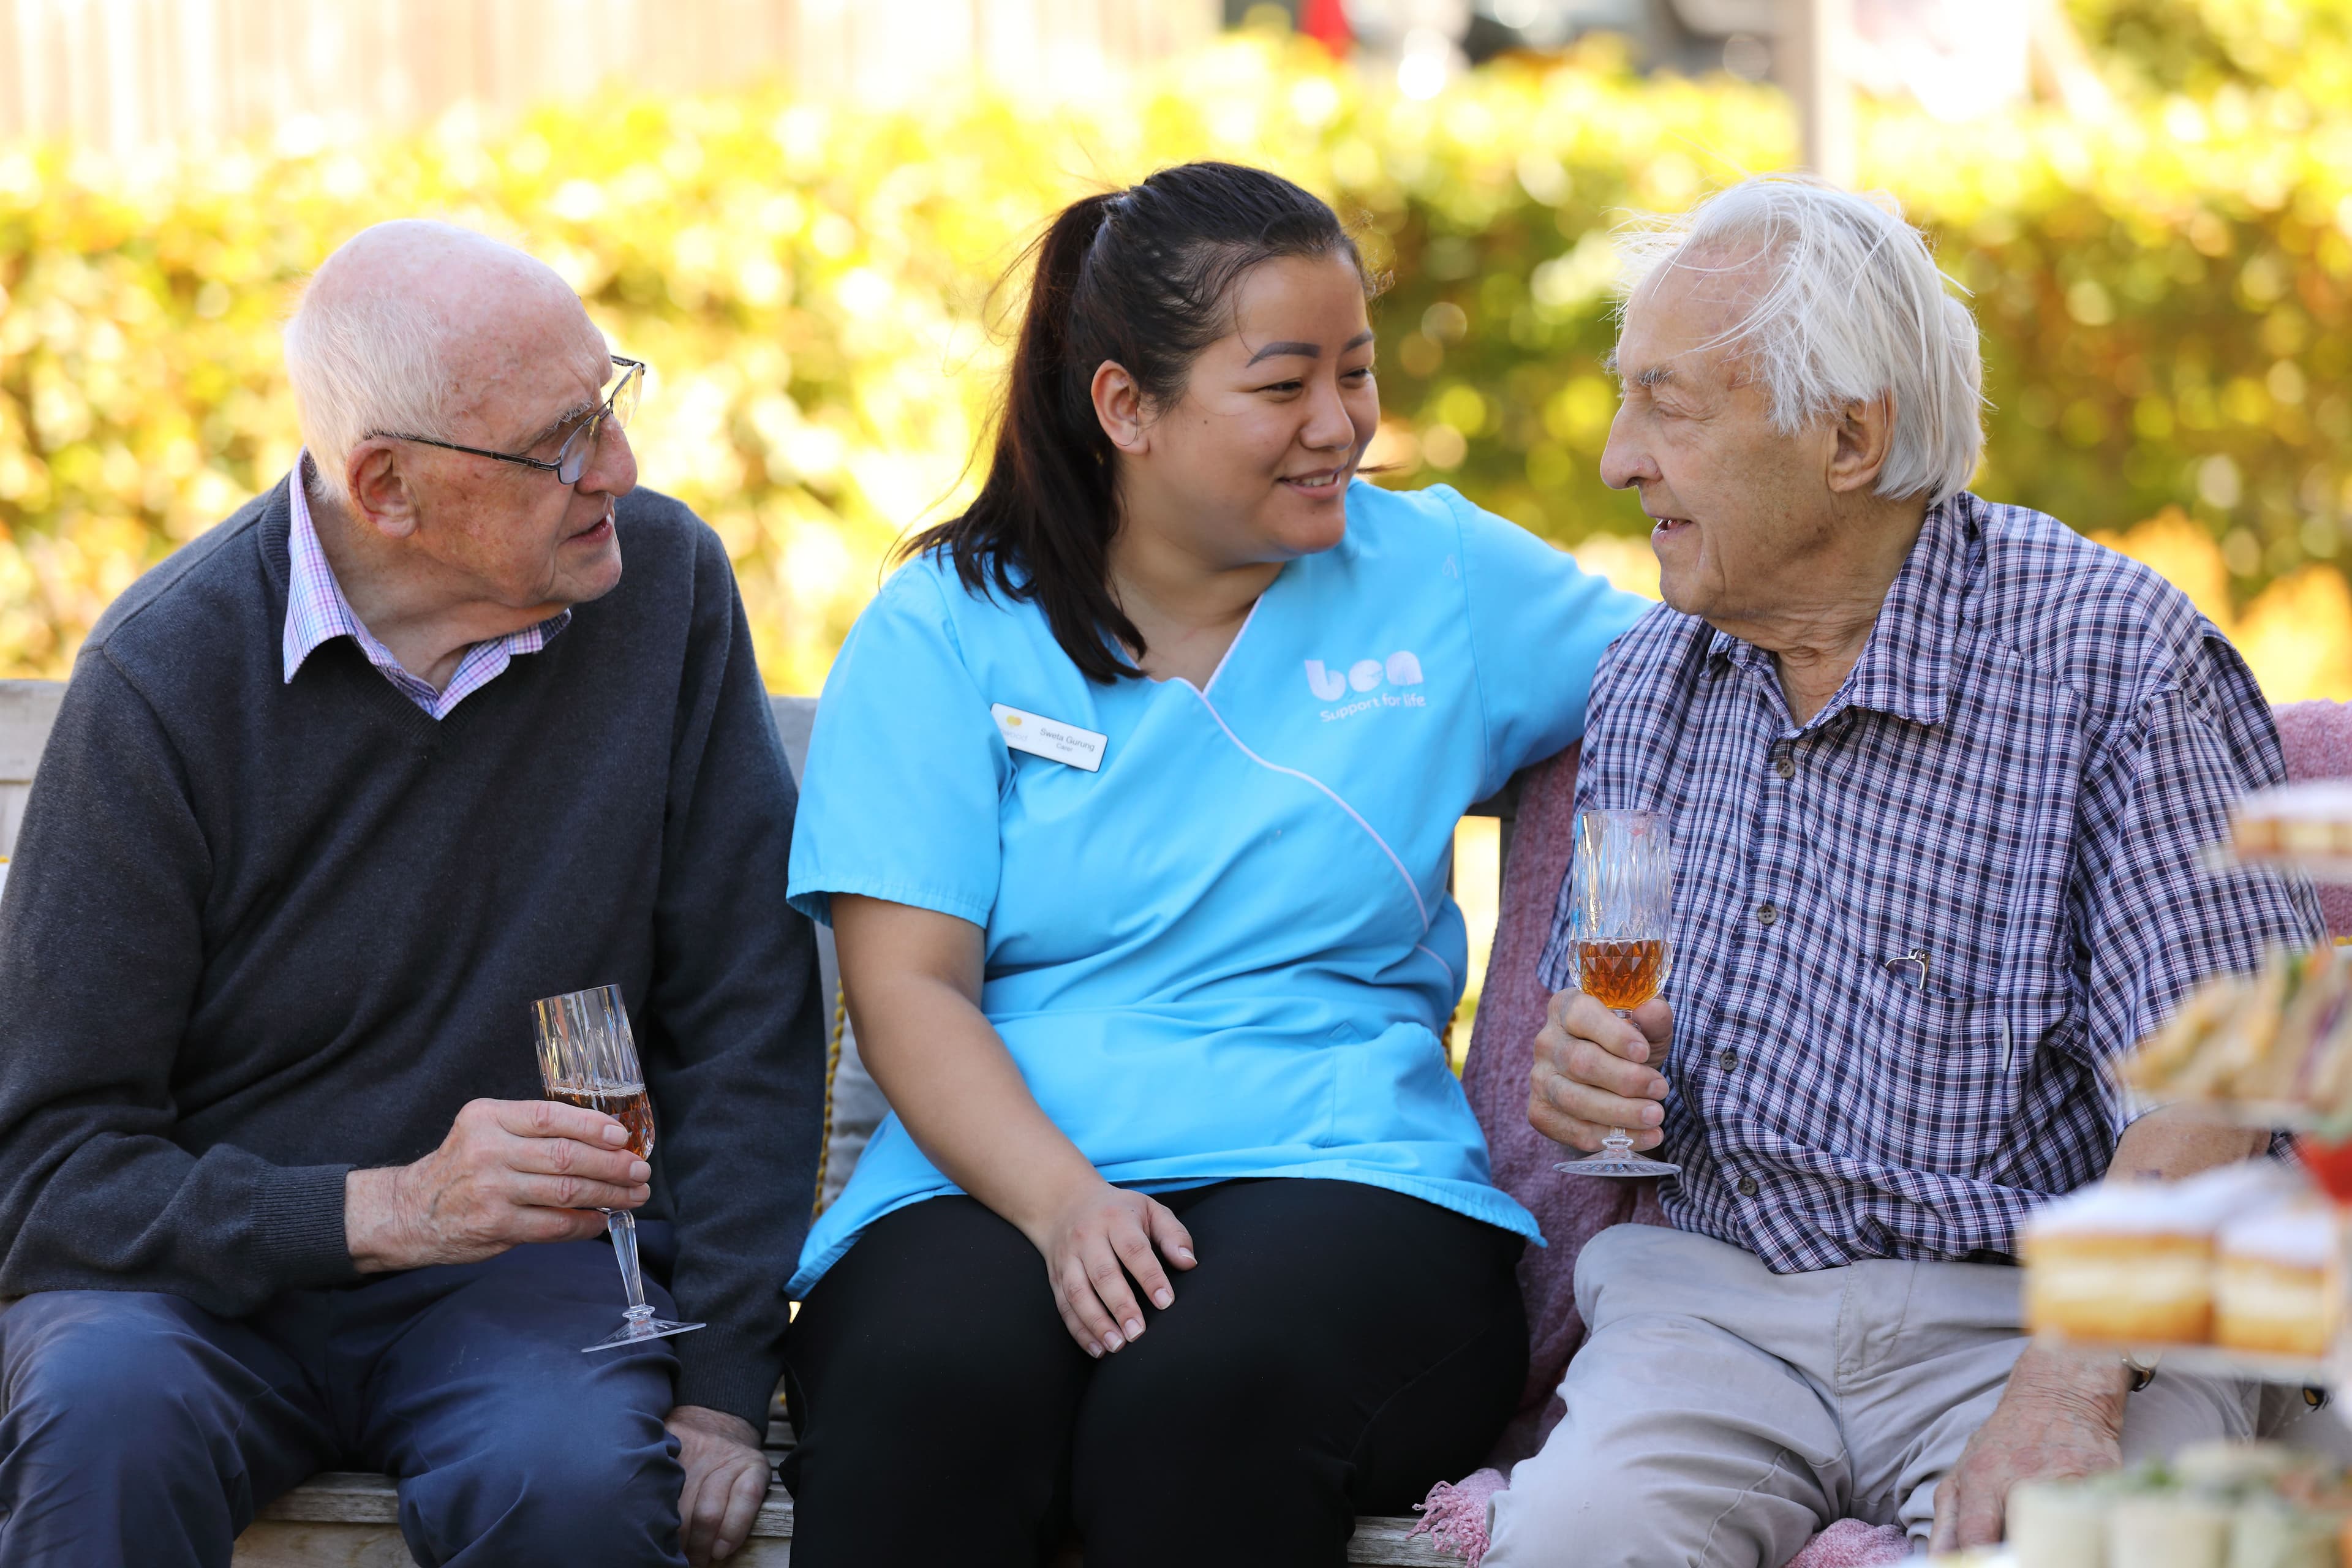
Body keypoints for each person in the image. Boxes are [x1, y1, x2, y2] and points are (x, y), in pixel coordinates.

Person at [778, 161, 1649, 1567]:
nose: (1340, 426)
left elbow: (1724, 669)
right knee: (928, 1400)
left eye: (1357, 372)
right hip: (993, 1174)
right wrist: (1064, 1203)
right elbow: (911, 991)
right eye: (1283, 384)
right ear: (1127, 406)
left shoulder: (1441, 578)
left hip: (1348, 1170)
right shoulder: (948, 625)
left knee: (1204, 1404)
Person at [1490, 175, 2326, 1566]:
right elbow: (1601, 1040)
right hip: (1716, 1305)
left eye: (1669, 403)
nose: (1618, 458)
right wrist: (1580, 1072)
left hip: (2044, 1314)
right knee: (1572, 1542)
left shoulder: (2117, 660)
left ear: (1850, 437)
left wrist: (2067, 1385)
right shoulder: (1651, 674)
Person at [0, 222, 826, 1568]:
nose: (618, 468)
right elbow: (49, 1177)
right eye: (564, 439)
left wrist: (724, 1383)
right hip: (192, 1293)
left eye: (608, 402)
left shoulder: (661, 591)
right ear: (387, 487)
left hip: (523, 1281)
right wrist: (391, 1207)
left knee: (568, 1478)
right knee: (102, 1421)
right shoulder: (163, 679)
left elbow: (744, 1012)